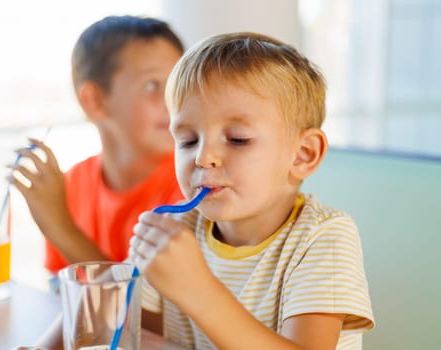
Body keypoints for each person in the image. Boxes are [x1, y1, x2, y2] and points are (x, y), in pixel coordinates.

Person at [129, 32, 375, 349]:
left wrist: (197, 290)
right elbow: (139, 337)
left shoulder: (323, 238)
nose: (203, 157)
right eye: (188, 140)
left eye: (238, 139)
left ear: (303, 154)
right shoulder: (178, 233)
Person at [10, 16, 185, 276]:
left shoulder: (190, 185)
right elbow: (65, 296)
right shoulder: (70, 187)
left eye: (177, 84)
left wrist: (60, 226)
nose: (174, 101)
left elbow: (146, 312)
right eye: (152, 85)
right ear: (95, 101)